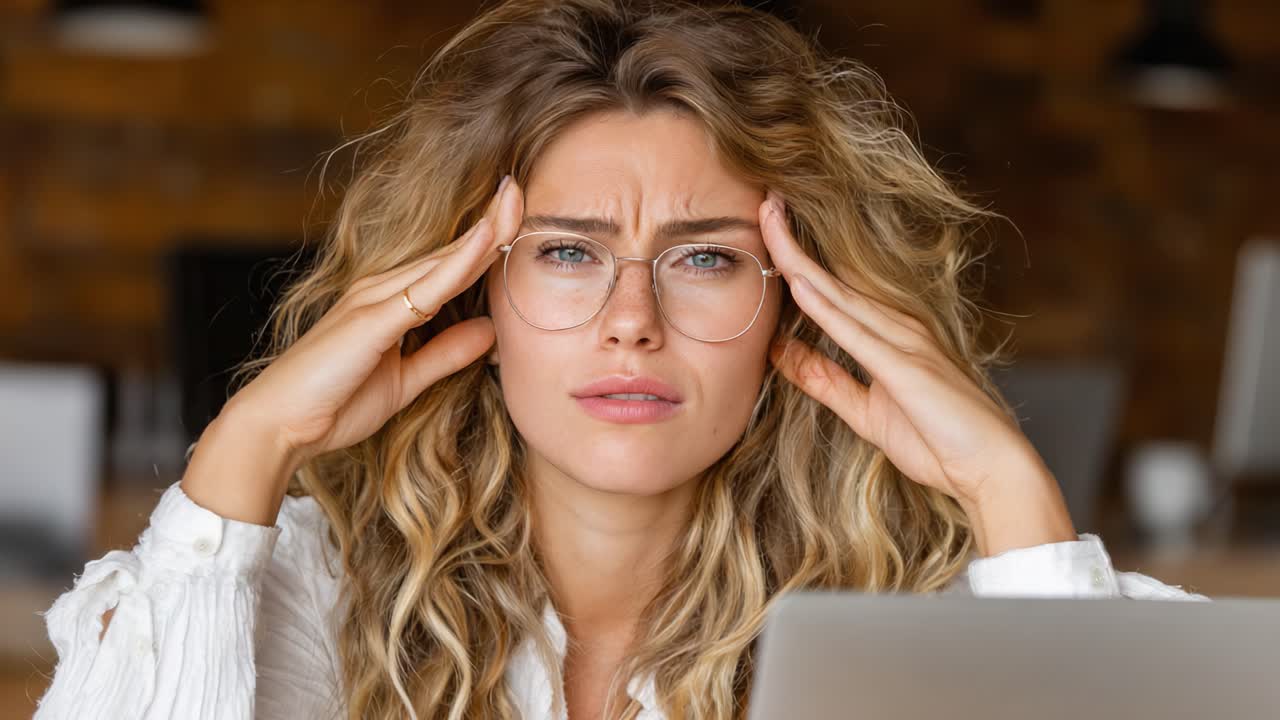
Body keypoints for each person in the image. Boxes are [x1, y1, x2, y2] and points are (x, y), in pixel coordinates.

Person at [33, 1, 1208, 719]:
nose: (629, 320)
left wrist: (1011, 493)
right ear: (470, 283)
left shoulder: (916, 624)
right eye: (564, 251)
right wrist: (246, 447)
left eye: (702, 259)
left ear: (792, 310)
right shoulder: (314, 591)